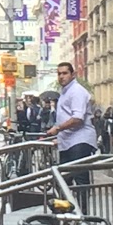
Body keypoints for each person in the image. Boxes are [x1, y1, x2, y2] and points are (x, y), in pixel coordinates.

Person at [43, 62, 97, 192]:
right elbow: (66, 116)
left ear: (72, 75)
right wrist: (60, 137)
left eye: (65, 73)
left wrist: (58, 129)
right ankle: (69, 209)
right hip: (68, 141)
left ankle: (82, 211)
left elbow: (77, 119)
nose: (61, 76)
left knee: (80, 179)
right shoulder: (65, 91)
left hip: (79, 141)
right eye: (59, 73)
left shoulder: (77, 91)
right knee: (65, 179)